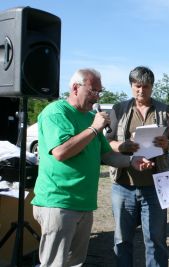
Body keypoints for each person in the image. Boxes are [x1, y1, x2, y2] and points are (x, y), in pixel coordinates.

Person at [31, 68, 153, 266]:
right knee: (55, 263)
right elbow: (61, 152)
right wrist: (94, 128)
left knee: (75, 262)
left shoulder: (89, 118)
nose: (96, 97)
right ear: (75, 88)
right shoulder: (56, 112)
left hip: (84, 204)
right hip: (59, 202)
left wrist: (132, 161)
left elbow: (107, 155)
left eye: (99, 92)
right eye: (93, 91)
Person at [106, 66, 169, 267]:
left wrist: (168, 144)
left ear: (152, 87)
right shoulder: (119, 108)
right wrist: (122, 146)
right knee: (122, 240)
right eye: (137, 86)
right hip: (123, 185)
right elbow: (108, 142)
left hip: (155, 187)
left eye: (145, 87)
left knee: (155, 241)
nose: (141, 91)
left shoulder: (165, 110)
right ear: (131, 86)